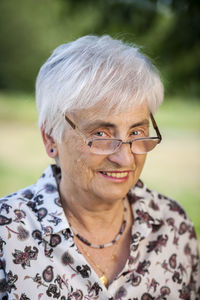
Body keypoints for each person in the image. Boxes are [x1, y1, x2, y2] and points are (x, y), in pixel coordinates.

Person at [0, 35, 199, 300]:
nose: (126, 159)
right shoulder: (7, 233)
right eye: (102, 134)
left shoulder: (173, 225)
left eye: (137, 131)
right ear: (50, 137)